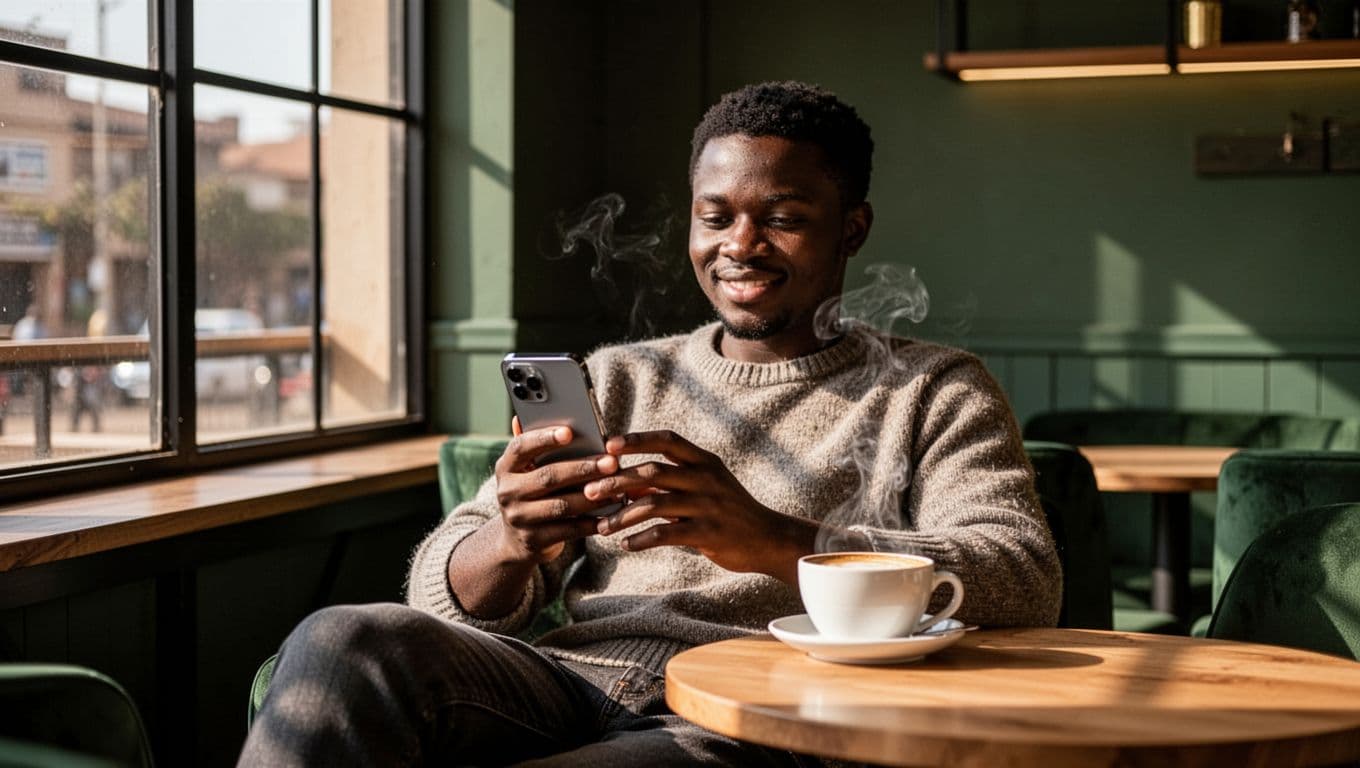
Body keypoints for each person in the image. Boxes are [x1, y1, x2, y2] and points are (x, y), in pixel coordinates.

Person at [238, 81, 1061, 767]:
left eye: (783, 217)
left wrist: (777, 539)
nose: (742, 245)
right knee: (342, 639)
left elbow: (1023, 575)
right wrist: (513, 541)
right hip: (567, 680)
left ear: (852, 228)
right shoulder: (619, 375)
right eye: (716, 216)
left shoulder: (934, 388)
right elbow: (444, 596)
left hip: (755, 714)